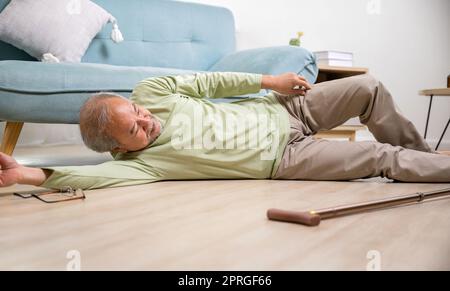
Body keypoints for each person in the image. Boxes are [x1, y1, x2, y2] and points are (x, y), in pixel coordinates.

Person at [1, 72, 449, 190]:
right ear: (119, 149)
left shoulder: (150, 92)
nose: (145, 120)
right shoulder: (145, 164)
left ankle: (428, 160)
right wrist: (24, 174)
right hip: (286, 160)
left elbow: (208, 83)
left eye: (135, 111)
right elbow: (94, 178)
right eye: (134, 130)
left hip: (285, 108)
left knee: (368, 88)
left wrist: (272, 82)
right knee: (377, 158)